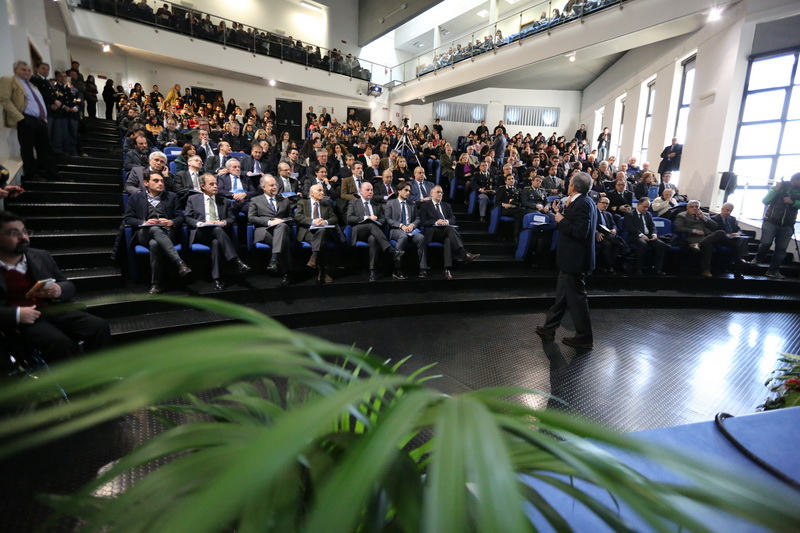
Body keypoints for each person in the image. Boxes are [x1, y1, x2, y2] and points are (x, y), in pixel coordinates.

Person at [0, 210, 111, 362]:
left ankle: (101, 370)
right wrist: (17, 314)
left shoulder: (40, 256)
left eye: (25, 232)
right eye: (13, 233)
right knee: (60, 343)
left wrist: (59, 289)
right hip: (22, 320)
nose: (23, 237)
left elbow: (67, 285)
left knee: (99, 326)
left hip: (51, 308)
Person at [535, 172, 597, 349]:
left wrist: (561, 220)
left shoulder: (583, 203)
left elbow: (580, 231)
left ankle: (584, 337)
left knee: (577, 300)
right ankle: (549, 328)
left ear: (573, 186)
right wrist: (560, 213)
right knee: (562, 296)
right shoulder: (584, 201)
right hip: (570, 259)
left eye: (569, 183)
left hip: (574, 259)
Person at [123, 171, 191, 294]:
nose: (160, 183)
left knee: (154, 244)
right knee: (154, 228)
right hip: (144, 233)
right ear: (146, 183)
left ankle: (156, 284)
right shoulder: (136, 197)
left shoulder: (171, 196)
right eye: (156, 181)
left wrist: (171, 222)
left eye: (162, 181)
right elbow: (128, 218)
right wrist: (144, 222)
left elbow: (180, 217)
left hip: (167, 233)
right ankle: (179, 263)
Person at [184, 173, 251, 290]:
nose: (215, 186)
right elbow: (188, 218)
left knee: (216, 242)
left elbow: (231, 218)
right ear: (203, 186)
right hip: (201, 233)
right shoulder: (193, 199)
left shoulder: (224, 201)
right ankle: (236, 261)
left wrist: (224, 222)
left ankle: (216, 279)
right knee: (217, 230)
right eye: (211, 184)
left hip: (219, 233)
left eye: (216, 183)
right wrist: (200, 224)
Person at [0, 61, 61, 182]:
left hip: (40, 121)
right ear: (16, 70)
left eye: (29, 70)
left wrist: (43, 119)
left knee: (46, 149)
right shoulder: (9, 80)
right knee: (27, 149)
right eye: (23, 69)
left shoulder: (32, 85)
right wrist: (20, 117)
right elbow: (4, 98)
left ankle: (53, 174)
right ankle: (32, 175)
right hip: (26, 119)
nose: (27, 72)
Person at [345, 182, 404, 282]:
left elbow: (383, 219)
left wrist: (377, 221)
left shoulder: (376, 204)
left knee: (373, 239)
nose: (370, 192)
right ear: (361, 191)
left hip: (374, 233)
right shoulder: (353, 203)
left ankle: (372, 271)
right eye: (367, 190)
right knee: (371, 225)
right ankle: (391, 251)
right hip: (359, 231)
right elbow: (349, 218)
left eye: (371, 190)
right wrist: (366, 217)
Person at [419, 185, 480, 280]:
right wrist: (436, 222)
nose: (440, 194)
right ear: (431, 193)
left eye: (441, 192)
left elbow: (453, 219)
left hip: (446, 231)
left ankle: (447, 269)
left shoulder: (446, 206)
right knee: (450, 229)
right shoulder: (425, 206)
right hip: (432, 232)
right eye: (438, 192)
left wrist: (446, 221)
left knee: (448, 240)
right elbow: (424, 222)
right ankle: (463, 253)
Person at [248, 175, 296, 287]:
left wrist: (281, 221)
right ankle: (287, 273)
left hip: (282, 229)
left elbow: (291, 217)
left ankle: (274, 260)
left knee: (282, 228)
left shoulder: (284, 200)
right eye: (271, 185)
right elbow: (251, 218)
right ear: (263, 187)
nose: (275, 187)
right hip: (265, 231)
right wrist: (270, 222)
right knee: (284, 240)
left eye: (276, 185)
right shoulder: (255, 200)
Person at [753, 173, 800, 279]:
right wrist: (775, 190)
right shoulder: (779, 186)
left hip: (788, 224)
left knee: (781, 249)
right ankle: (758, 258)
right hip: (771, 221)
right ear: (794, 180)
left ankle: (773, 271)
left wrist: (792, 202)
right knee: (766, 243)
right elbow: (765, 201)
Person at [294, 183, 339, 283]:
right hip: (308, 232)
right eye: (319, 190)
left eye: (322, 190)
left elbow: (334, 218)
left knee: (321, 232)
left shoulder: (326, 204)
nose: (322, 193)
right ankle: (322, 272)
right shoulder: (303, 202)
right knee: (321, 242)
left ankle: (313, 258)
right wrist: (313, 221)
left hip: (323, 232)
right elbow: (298, 216)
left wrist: (325, 222)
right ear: (312, 192)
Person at [385, 182, 428, 279]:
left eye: (409, 191)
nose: (408, 193)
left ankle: (423, 268)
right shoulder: (390, 203)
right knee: (403, 236)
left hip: (411, 229)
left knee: (421, 238)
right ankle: (397, 268)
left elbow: (418, 219)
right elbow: (388, 219)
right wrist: (401, 225)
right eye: (406, 190)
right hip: (397, 229)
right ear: (399, 191)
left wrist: (412, 225)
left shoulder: (412, 204)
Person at [624, 197, 668, 276]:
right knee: (642, 244)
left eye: (647, 207)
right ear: (638, 205)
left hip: (648, 235)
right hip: (635, 236)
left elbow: (652, 226)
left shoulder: (648, 214)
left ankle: (658, 268)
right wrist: (641, 235)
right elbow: (630, 228)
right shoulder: (629, 214)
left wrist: (654, 234)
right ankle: (638, 268)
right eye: (644, 207)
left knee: (661, 245)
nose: (646, 209)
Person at [595, 197, 627, 273]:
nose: (605, 205)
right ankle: (608, 266)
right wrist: (596, 232)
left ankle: (607, 265)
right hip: (598, 234)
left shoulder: (608, 214)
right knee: (607, 244)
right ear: (598, 203)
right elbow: (590, 225)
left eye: (607, 204)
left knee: (618, 244)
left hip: (608, 234)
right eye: (603, 203)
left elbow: (613, 225)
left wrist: (614, 229)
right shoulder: (593, 213)